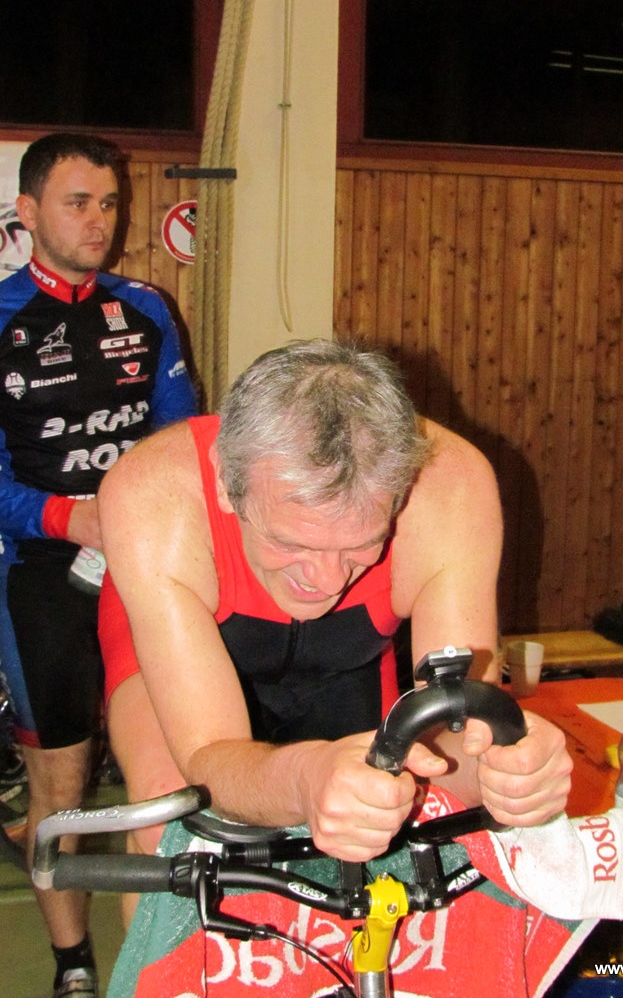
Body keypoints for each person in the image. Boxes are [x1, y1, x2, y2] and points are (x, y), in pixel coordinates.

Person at [99, 339, 571, 879]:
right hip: (194, 619)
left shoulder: (450, 487)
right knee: (168, 825)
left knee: (394, 809)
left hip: (352, 649)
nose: (327, 582)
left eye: (361, 547)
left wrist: (509, 771)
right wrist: (305, 778)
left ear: (401, 497)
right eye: (291, 543)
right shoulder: (153, 493)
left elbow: (454, 746)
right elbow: (208, 756)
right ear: (227, 485)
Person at [0, 133, 198, 998]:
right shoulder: (2, 319)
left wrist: (141, 519)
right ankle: (73, 964)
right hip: (40, 575)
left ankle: (171, 960)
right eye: (78, 203)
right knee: (64, 787)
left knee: (171, 769)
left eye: (110, 203)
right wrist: (70, 516)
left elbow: (182, 440)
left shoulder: (146, 309)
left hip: (144, 567)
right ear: (27, 213)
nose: (100, 222)